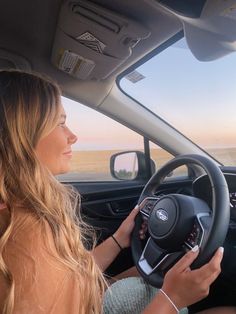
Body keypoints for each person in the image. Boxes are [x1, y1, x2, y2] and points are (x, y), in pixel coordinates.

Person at [0, 69, 235, 314]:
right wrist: (171, 300)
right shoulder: (22, 237)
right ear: (23, 135)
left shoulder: (24, 211)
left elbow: (70, 278)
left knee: (147, 274)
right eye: (60, 123)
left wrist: (118, 240)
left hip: (90, 301)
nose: (73, 136)